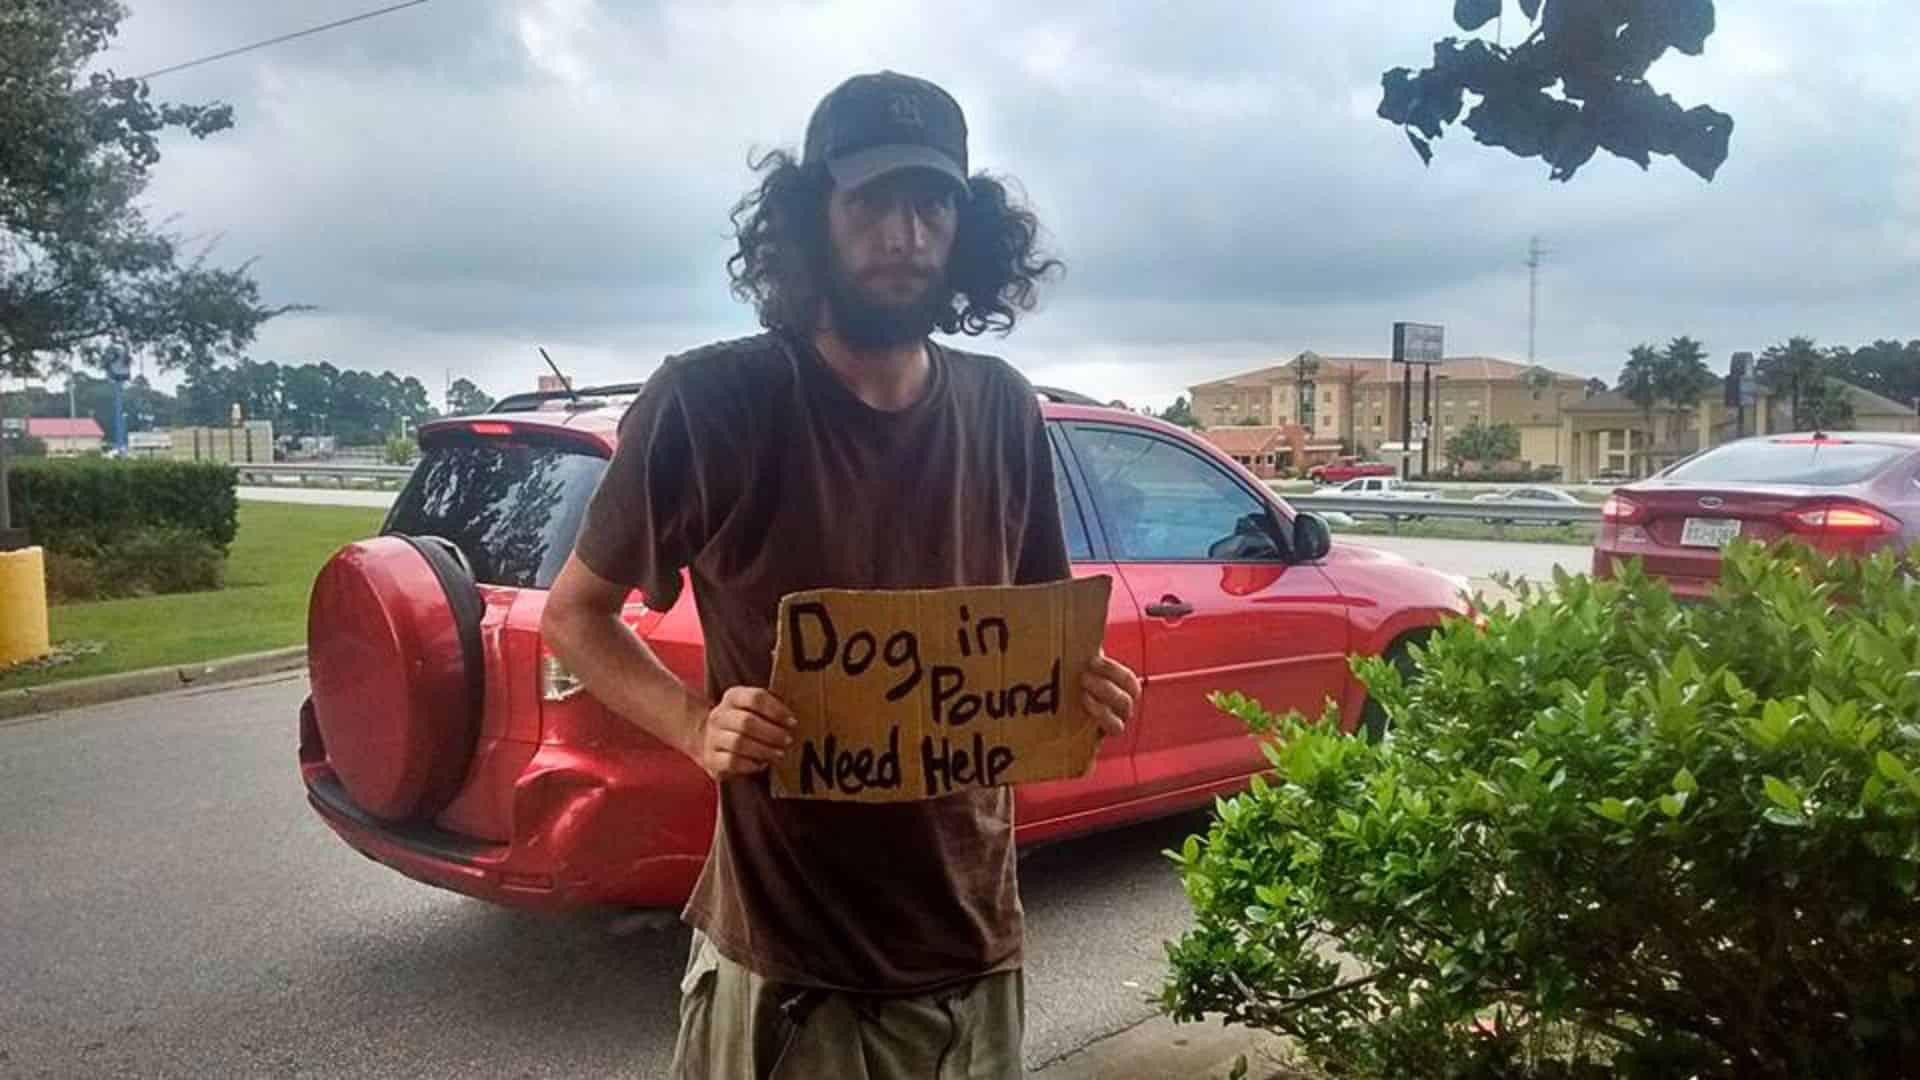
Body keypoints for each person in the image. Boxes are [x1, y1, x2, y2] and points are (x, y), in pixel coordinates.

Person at [540, 71, 1141, 1078]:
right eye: (870, 200)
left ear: (966, 228)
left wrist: (1085, 691)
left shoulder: (1002, 408)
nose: (904, 232)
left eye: (931, 201)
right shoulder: (711, 400)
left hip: (976, 954)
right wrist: (697, 725)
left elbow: (1037, 637)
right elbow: (575, 617)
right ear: (814, 216)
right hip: (791, 970)